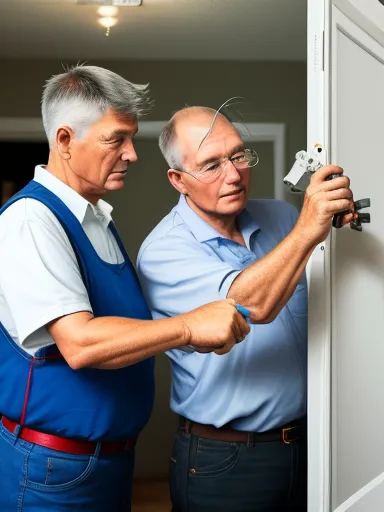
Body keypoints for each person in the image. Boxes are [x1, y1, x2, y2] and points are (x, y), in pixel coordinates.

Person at [0, 68, 250, 511]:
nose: (131, 154)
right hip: (50, 470)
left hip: (104, 463)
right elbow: (80, 343)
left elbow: (119, 331)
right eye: (116, 139)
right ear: (65, 140)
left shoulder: (96, 219)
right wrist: (187, 327)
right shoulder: (32, 222)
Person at [136, 106, 354, 512]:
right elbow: (251, 304)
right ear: (178, 180)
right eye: (211, 165)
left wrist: (344, 231)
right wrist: (310, 226)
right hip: (227, 460)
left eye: (238, 155)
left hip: (313, 444)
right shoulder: (163, 251)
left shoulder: (282, 217)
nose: (234, 174)